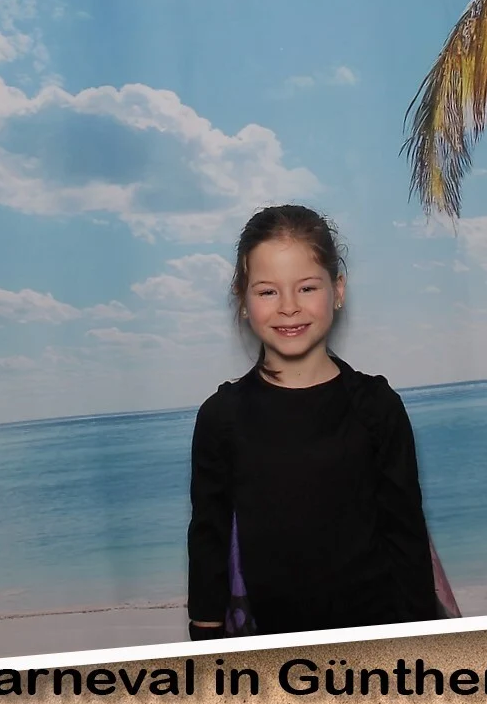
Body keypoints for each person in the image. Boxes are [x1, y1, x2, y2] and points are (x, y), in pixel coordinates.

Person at [186, 204, 439, 640]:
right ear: (243, 299)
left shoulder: (377, 407)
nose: (289, 307)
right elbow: (208, 541)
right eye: (268, 292)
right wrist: (205, 645)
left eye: (306, 288)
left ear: (337, 290)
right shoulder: (221, 417)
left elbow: (407, 537)